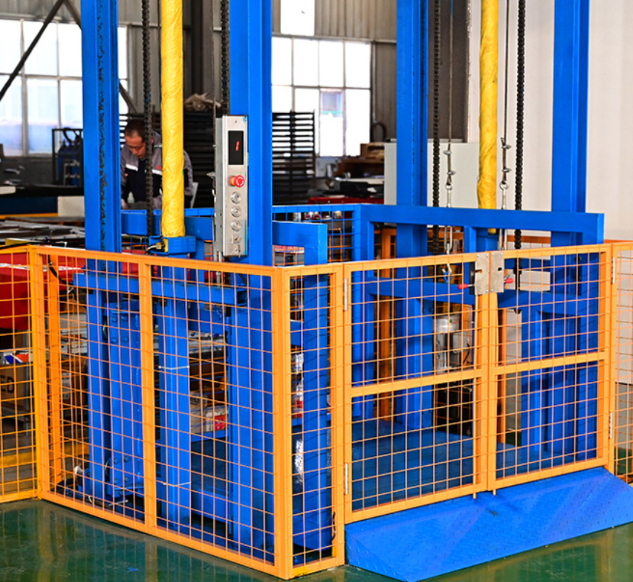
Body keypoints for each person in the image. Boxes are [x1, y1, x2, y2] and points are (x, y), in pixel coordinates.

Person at [121, 119, 194, 209]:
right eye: (130, 147)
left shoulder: (172, 154)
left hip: (165, 212)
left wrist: (145, 206)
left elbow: (181, 196)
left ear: (150, 140)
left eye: (138, 148)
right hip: (136, 211)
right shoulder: (126, 152)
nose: (134, 152)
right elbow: (120, 183)